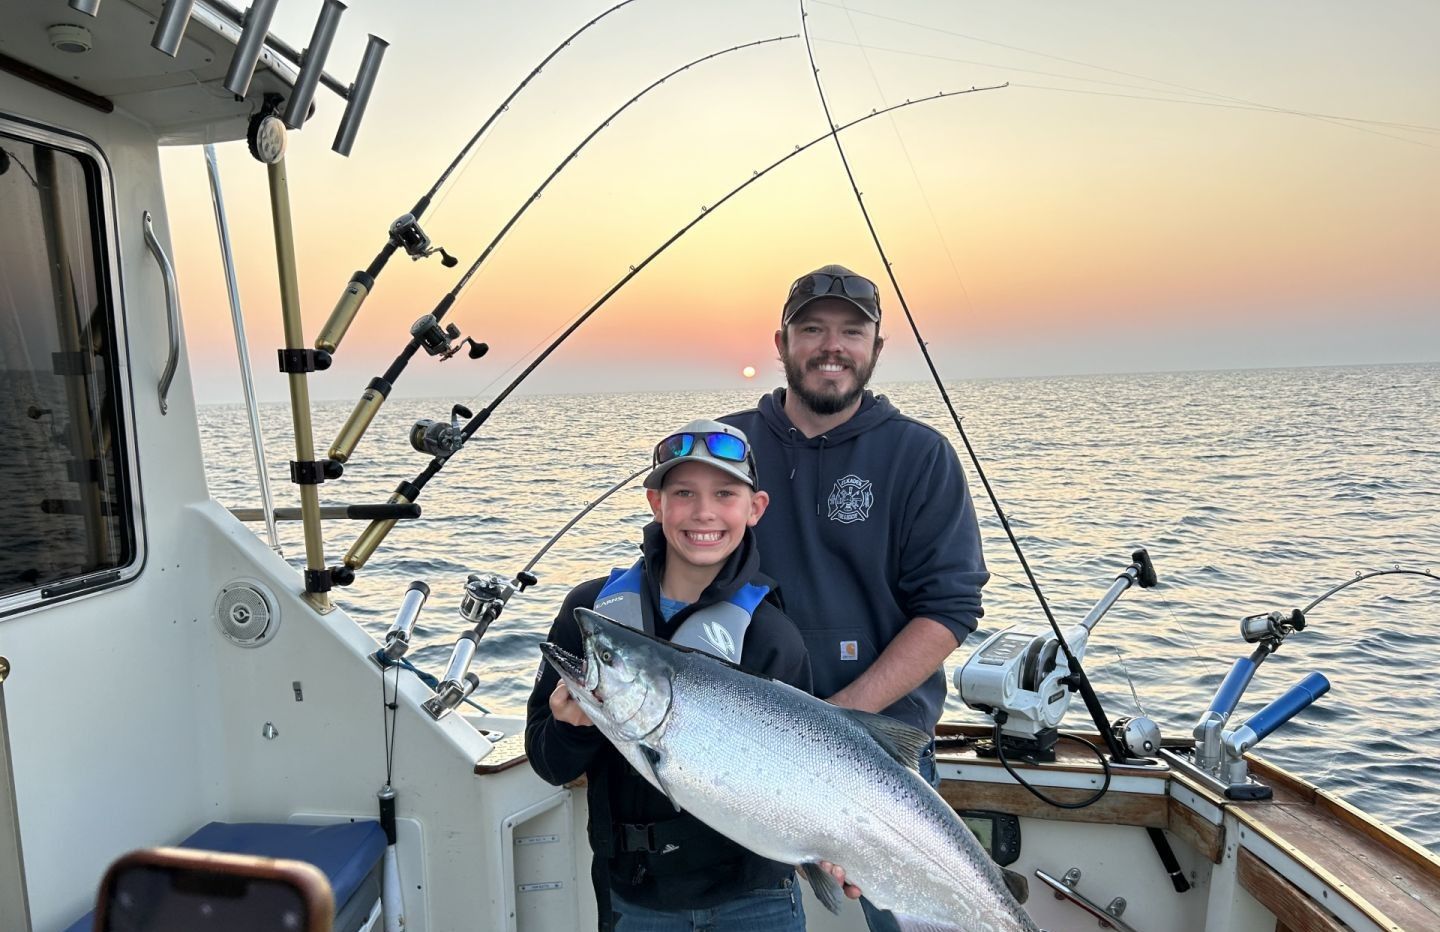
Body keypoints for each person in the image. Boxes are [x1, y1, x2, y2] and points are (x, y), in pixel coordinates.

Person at [721, 264, 990, 930]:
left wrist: (840, 719)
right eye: (811, 329)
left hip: (880, 748)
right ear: (781, 343)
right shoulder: (727, 447)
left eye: (851, 331)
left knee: (917, 919)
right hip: (742, 743)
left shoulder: (920, 456)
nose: (830, 346)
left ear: (876, 348)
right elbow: (669, 569)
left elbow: (950, 608)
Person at [525, 419, 812, 932]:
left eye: (725, 493)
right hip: (634, 896)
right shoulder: (591, 612)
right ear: (657, 503)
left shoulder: (773, 636)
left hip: (755, 897)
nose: (703, 512)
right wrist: (571, 728)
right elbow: (549, 764)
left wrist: (830, 845)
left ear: (755, 508)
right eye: (683, 492)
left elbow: (803, 775)